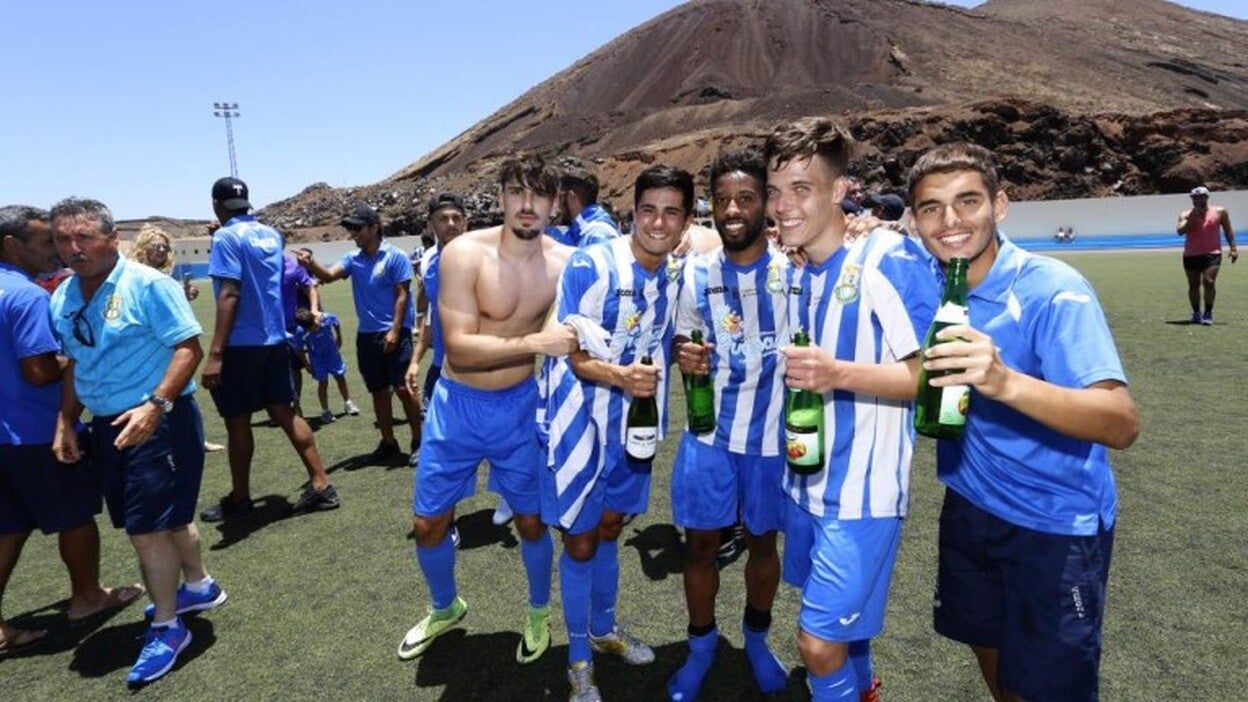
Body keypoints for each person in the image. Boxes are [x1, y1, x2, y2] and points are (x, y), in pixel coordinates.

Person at [907, 143, 1140, 702]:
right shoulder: (933, 284)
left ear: (1000, 206)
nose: (951, 221)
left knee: (1050, 688)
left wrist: (1004, 381)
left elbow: (1121, 422)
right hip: (969, 503)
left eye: (967, 202)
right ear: (914, 221)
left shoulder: (1052, 289)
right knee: (992, 657)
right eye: (932, 208)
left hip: (1053, 523)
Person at [766, 117, 939, 702]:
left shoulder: (888, 259)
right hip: (806, 484)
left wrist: (837, 374)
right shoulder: (801, 269)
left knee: (816, 644)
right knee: (848, 634)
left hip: (862, 496)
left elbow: (935, 377)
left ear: (840, 191)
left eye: (801, 188)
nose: (783, 206)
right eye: (776, 190)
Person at [397, 154, 576, 667]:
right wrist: (540, 342)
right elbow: (460, 348)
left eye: (539, 195)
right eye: (517, 192)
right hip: (458, 405)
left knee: (532, 522)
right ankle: (445, 606)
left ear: (553, 202)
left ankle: (539, 611)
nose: (527, 204)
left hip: (521, 409)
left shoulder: (566, 262)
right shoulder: (463, 254)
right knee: (429, 522)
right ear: (499, 199)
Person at [47, 198, 226, 685]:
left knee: (146, 529)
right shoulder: (63, 295)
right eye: (63, 239)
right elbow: (75, 363)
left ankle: (169, 627)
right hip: (107, 425)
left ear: (112, 239)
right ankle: (199, 585)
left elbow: (187, 348)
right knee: (163, 519)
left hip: (157, 419)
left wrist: (156, 404)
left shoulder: (148, 284)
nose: (73, 248)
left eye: (84, 237)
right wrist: (67, 420)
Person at [541, 164, 693, 701]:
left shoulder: (676, 275)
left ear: (686, 221)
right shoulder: (593, 264)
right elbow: (570, 350)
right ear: (633, 212)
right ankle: (578, 660)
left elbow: (667, 335)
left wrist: (686, 353)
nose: (658, 222)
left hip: (635, 433)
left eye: (671, 211)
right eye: (648, 209)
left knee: (610, 530)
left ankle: (603, 630)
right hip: (582, 428)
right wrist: (622, 376)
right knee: (580, 541)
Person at [666, 149, 790, 700]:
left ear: (765, 202)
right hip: (709, 435)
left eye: (744, 198)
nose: (732, 210)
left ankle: (757, 641)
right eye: (721, 200)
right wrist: (683, 355)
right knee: (699, 547)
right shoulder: (695, 274)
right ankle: (701, 647)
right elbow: (680, 338)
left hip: (770, 440)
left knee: (763, 543)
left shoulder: (794, 274)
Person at [0, 205, 144, 655]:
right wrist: (80, 353)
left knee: (8, 528)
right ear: (12, 245)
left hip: (3, 435)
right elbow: (40, 371)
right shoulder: (26, 296)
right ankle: (87, 598)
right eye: (47, 242)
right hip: (39, 430)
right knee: (77, 516)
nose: (58, 251)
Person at [200, 177, 339, 521]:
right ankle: (321, 484)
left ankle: (241, 498)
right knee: (286, 411)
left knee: (237, 421)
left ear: (217, 205)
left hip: (241, 344)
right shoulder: (271, 234)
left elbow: (230, 293)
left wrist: (216, 353)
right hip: (276, 339)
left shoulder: (225, 237)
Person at [298, 204, 422, 467]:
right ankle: (388, 443)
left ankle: (419, 441)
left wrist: (395, 331)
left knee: (403, 388)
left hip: (393, 334)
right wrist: (311, 263)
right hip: (367, 336)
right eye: (350, 228)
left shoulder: (395, 256)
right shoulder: (353, 258)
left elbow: (402, 295)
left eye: (358, 228)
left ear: (374, 227)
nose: (353, 233)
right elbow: (329, 275)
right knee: (378, 391)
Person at [130, 224, 225, 452]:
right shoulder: (136, 277)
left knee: (182, 393)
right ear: (143, 248)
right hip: (152, 351)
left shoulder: (163, 277)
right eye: (156, 247)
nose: (162, 251)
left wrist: (182, 296)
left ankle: (195, 439)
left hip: (172, 347)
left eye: (165, 247)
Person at [1177, 185, 1237, 325]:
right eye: (1194, 198)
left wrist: (1233, 248)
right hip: (1191, 254)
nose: (1197, 200)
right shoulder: (1185, 214)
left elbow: (1228, 230)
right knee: (1193, 285)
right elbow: (1180, 231)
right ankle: (1196, 313)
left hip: (1212, 253)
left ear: (1207, 198)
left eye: (1200, 197)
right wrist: (1193, 217)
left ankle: (1208, 313)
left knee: (1209, 282)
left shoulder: (1220, 212)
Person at [292, 308, 355, 424]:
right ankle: (326, 411)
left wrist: (339, 337)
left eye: (315, 324)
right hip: (317, 360)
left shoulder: (326, 318)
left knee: (340, 377)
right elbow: (299, 349)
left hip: (332, 354)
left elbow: (336, 322)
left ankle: (348, 403)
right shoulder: (301, 332)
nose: (315, 328)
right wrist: (306, 364)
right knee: (323, 383)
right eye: (312, 328)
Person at [547, 158, 621, 247]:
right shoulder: (584, 228)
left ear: (571, 197)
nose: (558, 205)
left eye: (560, 197)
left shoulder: (598, 234)